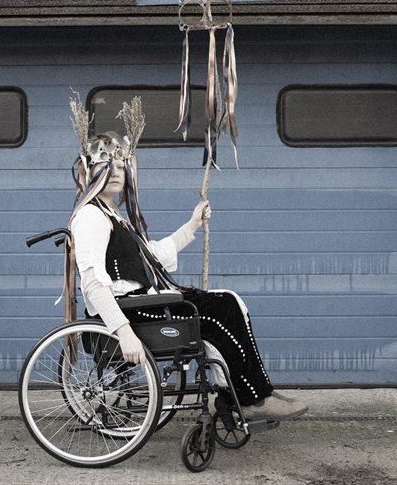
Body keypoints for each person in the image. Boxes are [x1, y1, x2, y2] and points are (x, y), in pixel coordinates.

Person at [65, 131, 307, 421]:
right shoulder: (91, 216)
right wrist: (124, 332)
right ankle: (249, 399)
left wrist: (191, 225)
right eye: (109, 167)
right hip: (128, 311)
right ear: (90, 171)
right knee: (220, 311)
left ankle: (251, 392)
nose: (118, 173)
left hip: (141, 302)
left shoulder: (112, 214)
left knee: (229, 300)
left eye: (121, 167)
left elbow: (150, 257)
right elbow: (92, 283)